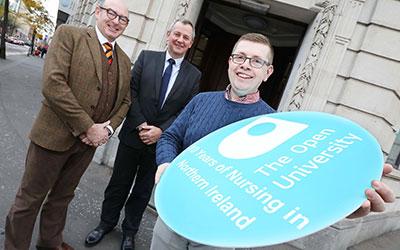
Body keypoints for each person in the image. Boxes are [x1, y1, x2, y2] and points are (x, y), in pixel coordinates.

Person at [151, 33, 396, 250]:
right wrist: (165, 163)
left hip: (223, 232)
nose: (245, 65)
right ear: (230, 62)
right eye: (240, 57)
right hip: (175, 211)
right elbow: (171, 137)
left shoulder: (278, 124)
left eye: (257, 61)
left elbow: (293, 183)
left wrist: (338, 205)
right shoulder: (201, 101)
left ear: (268, 72)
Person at [4, 0, 131, 249]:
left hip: (86, 146)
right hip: (52, 136)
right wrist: (88, 126)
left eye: (123, 19)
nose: (116, 21)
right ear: (98, 11)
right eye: (111, 13)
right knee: (29, 200)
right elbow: (53, 83)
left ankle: (49, 244)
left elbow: (126, 101)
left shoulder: (125, 61)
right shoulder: (70, 34)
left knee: (62, 198)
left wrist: (106, 129)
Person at [84, 19, 201, 250]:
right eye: (177, 34)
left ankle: (130, 232)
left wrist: (161, 131)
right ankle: (105, 223)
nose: (180, 40)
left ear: (191, 43)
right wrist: (141, 124)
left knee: (142, 191)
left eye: (185, 37)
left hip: (160, 144)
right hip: (132, 136)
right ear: (168, 35)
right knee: (118, 184)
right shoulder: (147, 57)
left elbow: (187, 110)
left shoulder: (194, 75)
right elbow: (131, 92)